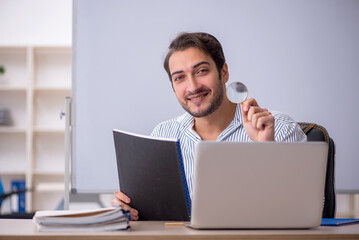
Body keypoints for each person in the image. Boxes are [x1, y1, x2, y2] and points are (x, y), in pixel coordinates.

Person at [112, 32, 307, 220]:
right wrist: (132, 209)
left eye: (201, 71)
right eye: (180, 77)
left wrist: (267, 151)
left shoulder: (278, 128)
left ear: (223, 72)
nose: (193, 87)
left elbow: (304, 211)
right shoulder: (163, 135)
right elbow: (155, 217)